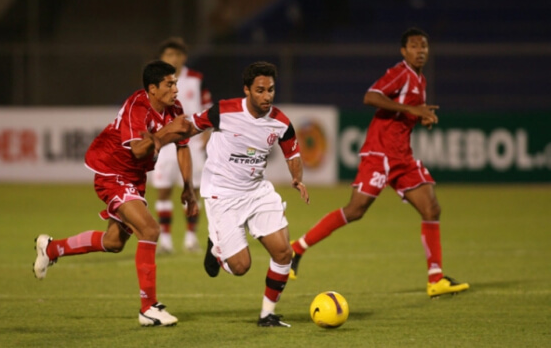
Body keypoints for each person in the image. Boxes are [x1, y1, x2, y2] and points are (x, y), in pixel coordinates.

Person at [289, 27, 470, 298]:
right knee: (356, 209)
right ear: (403, 51)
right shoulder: (400, 73)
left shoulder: (420, 81)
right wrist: (412, 109)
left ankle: (436, 279)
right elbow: (371, 96)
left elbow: (404, 113)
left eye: (424, 46)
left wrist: (419, 117)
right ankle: (297, 247)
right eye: (414, 46)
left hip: (402, 157)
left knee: (431, 208)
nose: (420, 51)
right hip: (380, 155)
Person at [32, 60, 198, 327]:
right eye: (170, 84)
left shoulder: (173, 108)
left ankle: (51, 248)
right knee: (150, 230)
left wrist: (189, 187)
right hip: (112, 172)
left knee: (114, 242)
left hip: (134, 177)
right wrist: (166, 132)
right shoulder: (138, 107)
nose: (176, 89)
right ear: (153, 88)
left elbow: (182, 145)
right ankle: (148, 308)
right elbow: (138, 150)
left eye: (176, 83)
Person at [177, 61, 310, 327]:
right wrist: (158, 139)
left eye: (271, 90)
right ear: (247, 90)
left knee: (284, 253)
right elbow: (189, 126)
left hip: (257, 191)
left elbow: (292, 152)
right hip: (223, 194)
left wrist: (297, 178)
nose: (267, 96)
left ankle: (267, 315)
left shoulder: (281, 122)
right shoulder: (224, 111)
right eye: (260, 90)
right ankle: (216, 250)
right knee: (240, 267)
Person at [151, 37, 213, 254]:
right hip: (165, 145)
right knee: (163, 191)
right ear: (162, 58)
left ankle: (190, 239)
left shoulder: (196, 79)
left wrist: (208, 132)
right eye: (169, 55)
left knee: (193, 192)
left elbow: (207, 106)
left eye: (177, 54)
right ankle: (166, 241)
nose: (173, 58)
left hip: (192, 144)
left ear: (184, 57)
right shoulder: (154, 81)